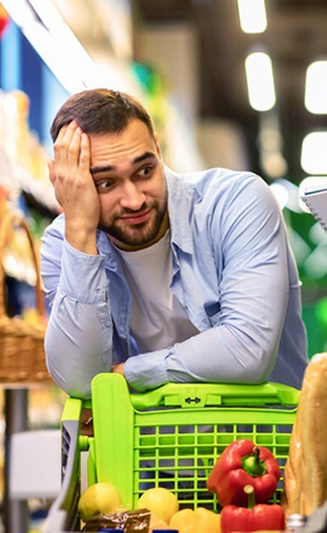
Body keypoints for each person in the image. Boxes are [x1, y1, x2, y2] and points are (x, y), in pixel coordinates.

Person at [40, 88, 308, 399]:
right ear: (71, 182)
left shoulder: (236, 202)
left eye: (144, 171)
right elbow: (77, 379)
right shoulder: (65, 242)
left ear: (158, 150)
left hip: (262, 438)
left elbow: (247, 350)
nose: (134, 200)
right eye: (106, 183)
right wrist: (80, 231)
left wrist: (129, 373)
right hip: (146, 447)